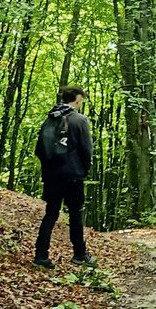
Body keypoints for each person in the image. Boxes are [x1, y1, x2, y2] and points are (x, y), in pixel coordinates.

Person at [33, 85, 94, 268]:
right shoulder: (79, 120)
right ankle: (80, 254)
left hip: (52, 174)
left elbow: (40, 149)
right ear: (77, 99)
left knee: (51, 213)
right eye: (81, 99)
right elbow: (86, 150)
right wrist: (84, 170)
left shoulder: (51, 118)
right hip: (72, 174)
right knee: (75, 214)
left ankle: (41, 255)